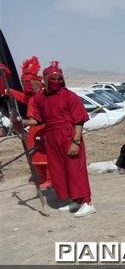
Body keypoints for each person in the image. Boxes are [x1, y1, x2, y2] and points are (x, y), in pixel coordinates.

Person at [23, 61, 96, 217]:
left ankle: (87, 202)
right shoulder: (40, 98)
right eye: (53, 78)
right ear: (45, 79)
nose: (57, 81)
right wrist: (22, 122)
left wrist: (76, 141)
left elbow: (79, 120)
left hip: (69, 135)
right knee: (60, 170)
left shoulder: (70, 96)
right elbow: (38, 120)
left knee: (75, 169)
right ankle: (74, 200)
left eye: (59, 78)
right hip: (51, 137)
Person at [1, 56, 52, 189]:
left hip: (44, 127)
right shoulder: (32, 96)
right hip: (34, 126)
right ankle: (41, 176)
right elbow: (24, 98)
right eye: (24, 81)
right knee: (33, 151)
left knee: (44, 153)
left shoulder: (44, 94)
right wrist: (10, 92)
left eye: (28, 81)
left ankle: (50, 178)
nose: (26, 84)